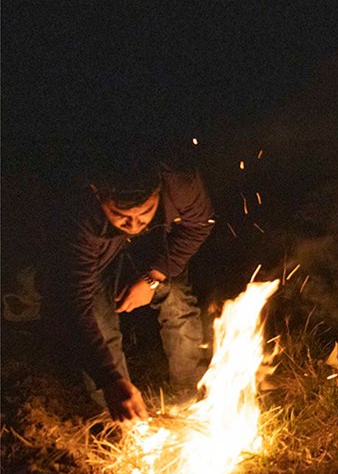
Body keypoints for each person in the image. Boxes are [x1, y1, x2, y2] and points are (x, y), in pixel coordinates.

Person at [44, 139, 215, 423]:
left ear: (158, 191)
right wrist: (109, 379)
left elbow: (199, 226)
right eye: (121, 216)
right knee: (99, 320)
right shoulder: (78, 219)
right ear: (99, 196)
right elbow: (76, 303)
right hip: (98, 262)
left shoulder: (180, 182)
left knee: (177, 299)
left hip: (150, 252)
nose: (135, 224)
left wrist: (152, 278)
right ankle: (120, 414)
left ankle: (193, 395)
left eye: (145, 212)